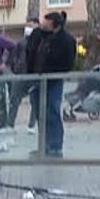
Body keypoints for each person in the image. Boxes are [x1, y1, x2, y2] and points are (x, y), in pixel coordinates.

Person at [25, 11, 77, 157]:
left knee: (52, 111)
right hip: (35, 80)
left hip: (53, 81)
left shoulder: (67, 40)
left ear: (55, 25)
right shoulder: (37, 35)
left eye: (46, 22)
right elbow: (29, 52)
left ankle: (55, 146)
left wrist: (52, 72)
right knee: (39, 112)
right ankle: (44, 145)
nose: (42, 24)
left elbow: (68, 63)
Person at [9, 17, 40, 133]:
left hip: (34, 76)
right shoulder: (21, 42)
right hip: (20, 75)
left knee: (35, 101)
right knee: (14, 99)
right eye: (27, 26)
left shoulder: (41, 41)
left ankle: (31, 125)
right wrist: (15, 67)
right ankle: (10, 125)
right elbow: (13, 56)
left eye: (31, 26)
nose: (28, 28)